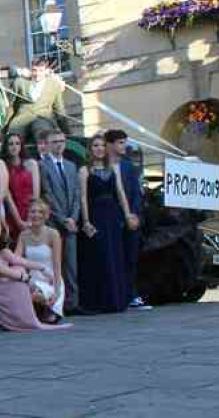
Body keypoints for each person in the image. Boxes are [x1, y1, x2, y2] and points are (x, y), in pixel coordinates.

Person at [0, 214, 69, 331]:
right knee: (20, 277)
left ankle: (39, 311)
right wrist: (26, 278)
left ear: (2, 228)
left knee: (20, 269)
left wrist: (43, 268)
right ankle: (27, 320)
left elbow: (17, 260)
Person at [78, 135, 138, 314]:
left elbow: (120, 193)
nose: (99, 148)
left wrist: (127, 215)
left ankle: (116, 299)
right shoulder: (84, 170)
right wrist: (86, 221)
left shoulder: (113, 168)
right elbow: (83, 198)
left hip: (113, 216)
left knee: (115, 255)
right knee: (99, 256)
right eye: (95, 145)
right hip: (95, 215)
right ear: (90, 148)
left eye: (102, 145)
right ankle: (99, 302)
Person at [105, 129, 152, 311]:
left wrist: (136, 216)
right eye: (120, 143)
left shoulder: (128, 167)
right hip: (112, 220)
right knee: (115, 260)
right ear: (109, 144)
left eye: (125, 142)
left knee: (131, 260)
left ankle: (131, 295)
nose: (124, 146)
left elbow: (135, 194)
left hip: (131, 221)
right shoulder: (102, 166)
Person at [39, 129, 84, 315]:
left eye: (61, 141)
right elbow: (47, 194)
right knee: (55, 264)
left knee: (71, 265)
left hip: (71, 221)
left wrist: (73, 217)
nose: (58, 144)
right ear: (48, 145)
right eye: (54, 141)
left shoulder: (71, 165)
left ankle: (73, 303)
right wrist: (61, 218)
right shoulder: (42, 166)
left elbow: (76, 194)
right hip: (54, 222)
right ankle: (56, 303)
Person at [17, 199, 66, 323]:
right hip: (32, 280)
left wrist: (57, 290)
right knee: (29, 292)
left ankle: (49, 307)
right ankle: (39, 308)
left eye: (40, 212)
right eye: (33, 212)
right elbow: (16, 260)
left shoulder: (53, 234)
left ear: (46, 215)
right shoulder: (23, 235)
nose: (36, 215)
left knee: (39, 298)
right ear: (28, 214)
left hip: (50, 279)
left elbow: (57, 264)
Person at [1, 133, 41, 240]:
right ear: (6, 147)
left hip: (32, 212)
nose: (14, 147)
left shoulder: (32, 164)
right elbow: (7, 196)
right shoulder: (2, 166)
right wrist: (18, 221)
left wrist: (30, 218)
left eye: (17, 143)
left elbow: (36, 195)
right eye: (11, 144)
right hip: (12, 212)